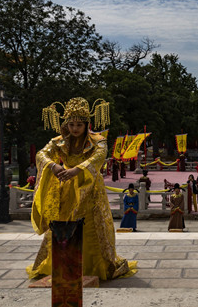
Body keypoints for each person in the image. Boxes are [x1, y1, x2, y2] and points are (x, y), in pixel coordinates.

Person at [27, 97, 136, 282]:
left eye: (79, 124)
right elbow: (41, 154)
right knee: (62, 224)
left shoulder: (98, 141)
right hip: (67, 190)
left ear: (87, 124)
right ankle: (61, 263)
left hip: (90, 188)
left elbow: (99, 157)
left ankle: (94, 266)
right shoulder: (60, 141)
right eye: (71, 124)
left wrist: (78, 170)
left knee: (91, 226)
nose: (75, 128)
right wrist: (54, 166)